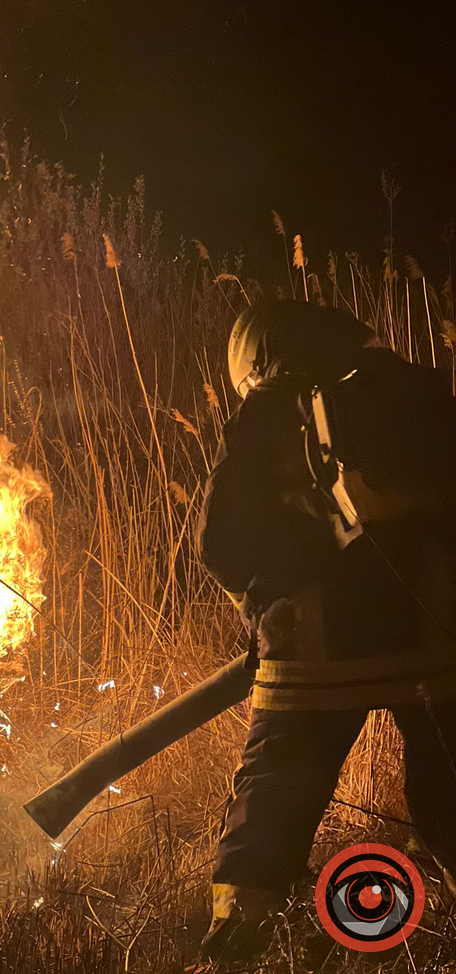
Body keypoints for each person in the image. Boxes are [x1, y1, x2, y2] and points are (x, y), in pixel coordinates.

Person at [196, 300, 456, 962]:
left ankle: (237, 946)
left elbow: (217, 541)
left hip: (314, 650)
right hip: (435, 639)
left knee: (272, 802)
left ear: (255, 357)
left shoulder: (268, 408)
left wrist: (260, 615)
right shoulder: (421, 389)